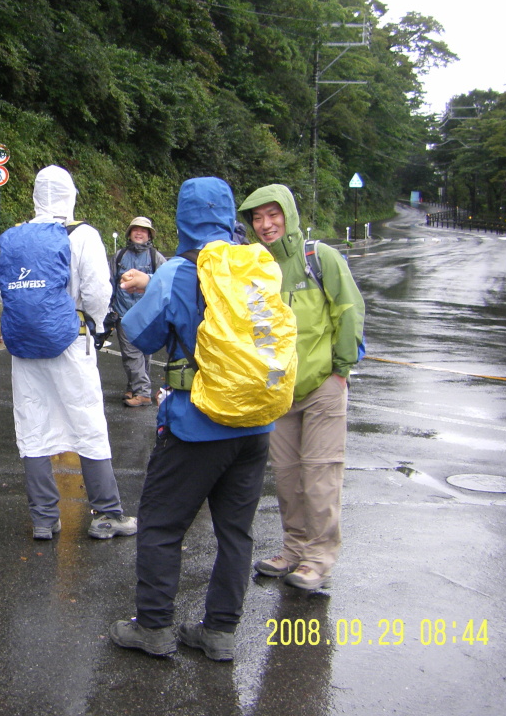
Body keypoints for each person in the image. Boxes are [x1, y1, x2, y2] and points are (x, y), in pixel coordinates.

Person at [108, 177, 274, 662]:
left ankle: (155, 626)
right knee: (235, 532)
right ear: (228, 215)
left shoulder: (180, 270)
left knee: (161, 523)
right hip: (256, 423)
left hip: (197, 423)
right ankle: (220, 632)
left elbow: (141, 334)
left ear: (183, 217)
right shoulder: (256, 265)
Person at [238, 184, 365, 591]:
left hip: (324, 385)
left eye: (273, 214)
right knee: (288, 476)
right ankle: (293, 549)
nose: (265, 224)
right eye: (257, 218)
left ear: (288, 215)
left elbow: (349, 309)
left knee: (320, 475)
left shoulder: (319, 258)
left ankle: (319, 558)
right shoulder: (255, 267)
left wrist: (340, 369)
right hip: (280, 391)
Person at [4, 165, 137, 541]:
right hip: (71, 340)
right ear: (71, 194)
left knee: (32, 423)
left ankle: (44, 518)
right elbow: (97, 292)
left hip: (25, 345)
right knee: (87, 422)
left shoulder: (16, 236)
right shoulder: (83, 235)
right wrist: (95, 325)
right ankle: (107, 513)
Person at [110, 217, 166, 407]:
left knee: (143, 354)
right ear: (130, 233)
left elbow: (165, 281)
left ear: (149, 234)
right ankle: (138, 389)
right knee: (131, 354)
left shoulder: (155, 256)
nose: (139, 233)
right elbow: (110, 281)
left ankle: (140, 391)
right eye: (136, 230)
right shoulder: (120, 256)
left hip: (147, 315)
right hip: (124, 313)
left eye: (144, 230)